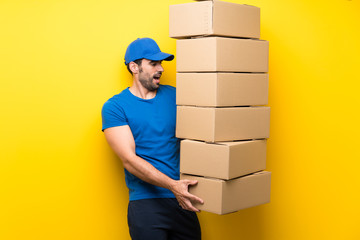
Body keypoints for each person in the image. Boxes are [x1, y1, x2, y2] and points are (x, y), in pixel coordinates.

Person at [101, 37, 203, 240]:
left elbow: (203, 132)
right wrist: (173, 185)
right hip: (146, 203)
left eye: (161, 63)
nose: (161, 69)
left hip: (183, 199)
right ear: (134, 67)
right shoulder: (115, 107)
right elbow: (129, 160)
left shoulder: (177, 97)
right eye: (153, 63)